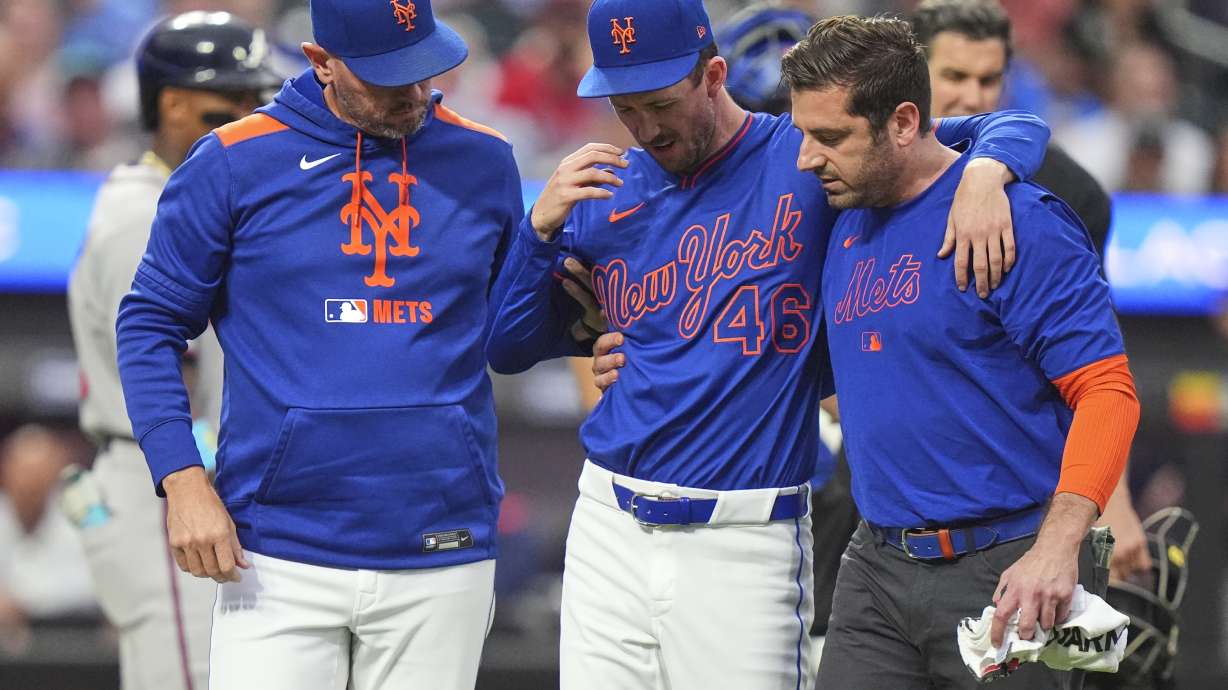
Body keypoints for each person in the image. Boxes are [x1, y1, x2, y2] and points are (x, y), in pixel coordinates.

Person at [485, 1, 1051, 687]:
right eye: (626, 106)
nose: (646, 126)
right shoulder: (603, 187)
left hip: (747, 531)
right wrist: (539, 229)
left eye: (662, 102)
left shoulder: (807, 153)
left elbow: (1010, 125)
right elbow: (509, 345)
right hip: (610, 521)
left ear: (714, 74)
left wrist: (988, 171)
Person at [114, 1, 528, 688]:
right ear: (319, 62)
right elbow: (150, 322)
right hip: (275, 553)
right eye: (386, 78)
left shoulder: (485, 161)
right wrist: (182, 480)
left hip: (442, 544)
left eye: (423, 70)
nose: (413, 93)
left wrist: (577, 314)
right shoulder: (232, 161)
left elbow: (516, 332)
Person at [782, 15, 1139, 689]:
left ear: (903, 122)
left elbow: (1108, 392)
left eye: (829, 138)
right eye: (805, 133)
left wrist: (1059, 547)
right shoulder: (841, 203)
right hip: (877, 566)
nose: (806, 157)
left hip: (1009, 565)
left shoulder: (1018, 222)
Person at [66, 12, 279, 690]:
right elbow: (165, 374)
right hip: (160, 480)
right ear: (172, 103)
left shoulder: (186, 198)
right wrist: (201, 482)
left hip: (162, 476)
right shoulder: (145, 211)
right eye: (231, 102)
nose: (249, 117)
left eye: (257, 100)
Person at [910, 0, 1152, 588]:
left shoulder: (1070, 192)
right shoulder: (867, 174)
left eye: (988, 79)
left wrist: (1109, 501)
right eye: (955, 77)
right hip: (887, 479)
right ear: (913, 76)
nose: (973, 96)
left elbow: (1090, 361)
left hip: (1017, 479)